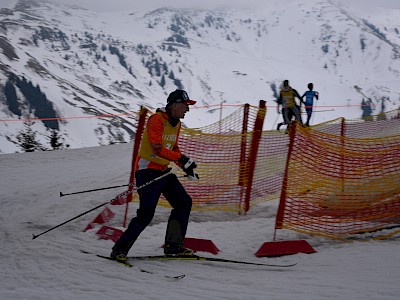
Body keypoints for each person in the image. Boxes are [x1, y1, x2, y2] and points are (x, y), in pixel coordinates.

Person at [111, 89, 199, 262]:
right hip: (147, 171)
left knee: (183, 203)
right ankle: (119, 250)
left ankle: (173, 247)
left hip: (162, 171)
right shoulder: (157, 120)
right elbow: (157, 148)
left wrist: (184, 165)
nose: (187, 110)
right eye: (185, 106)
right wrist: (182, 158)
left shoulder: (177, 124)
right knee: (146, 214)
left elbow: (172, 148)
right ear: (174, 105)